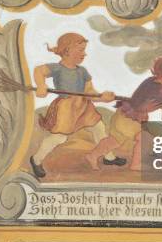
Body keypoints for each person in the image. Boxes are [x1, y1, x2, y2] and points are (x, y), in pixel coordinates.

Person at [29, 33, 127, 178]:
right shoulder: (57, 68)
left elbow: (89, 92)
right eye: (80, 50)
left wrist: (102, 97)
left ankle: (109, 157)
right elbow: (39, 71)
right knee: (59, 138)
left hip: (83, 106)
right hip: (66, 108)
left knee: (98, 127)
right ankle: (36, 159)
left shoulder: (82, 71)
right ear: (67, 50)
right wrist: (41, 85)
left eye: (84, 50)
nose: (84, 54)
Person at [86, 54, 162, 171]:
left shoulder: (152, 81)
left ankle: (92, 155)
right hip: (130, 120)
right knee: (142, 139)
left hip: (124, 115)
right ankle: (135, 164)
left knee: (114, 141)